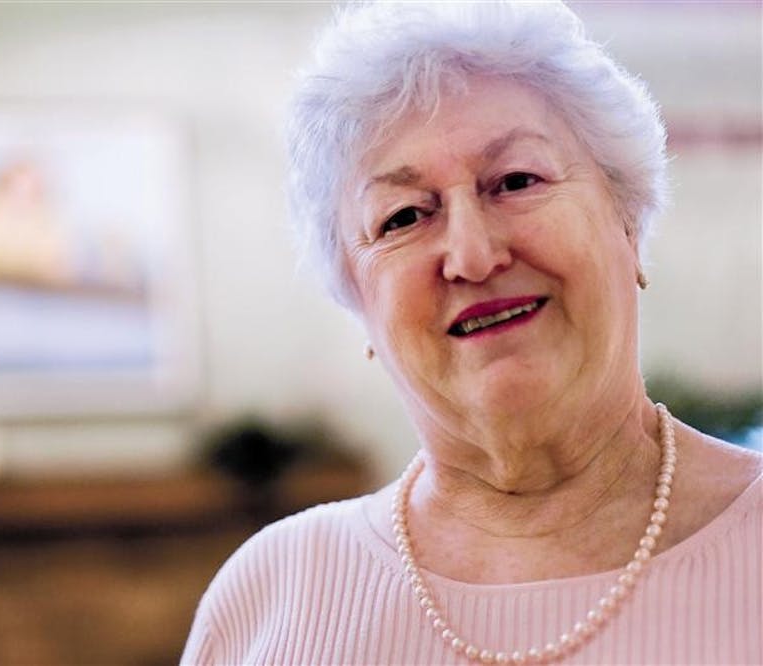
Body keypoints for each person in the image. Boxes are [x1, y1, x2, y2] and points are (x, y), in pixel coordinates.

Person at [182, 2, 762, 664]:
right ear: (357, 299)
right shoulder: (272, 601)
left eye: (516, 180)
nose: (473, 255)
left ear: (628, 223)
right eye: (402, 218)